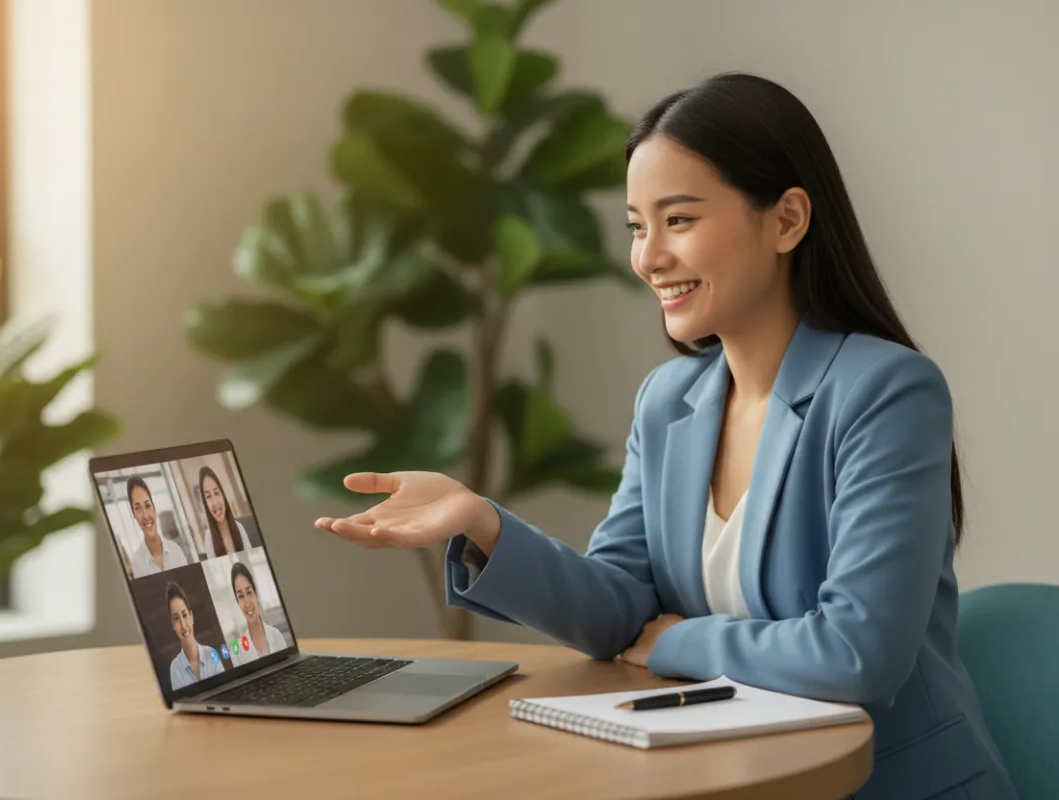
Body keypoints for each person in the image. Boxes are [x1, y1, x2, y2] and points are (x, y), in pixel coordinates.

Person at [313, 73, 1016, 800]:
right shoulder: (669, 401)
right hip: (735, 779)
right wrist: (480, 520)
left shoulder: (886, 392)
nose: (648, 257)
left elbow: (856, 652)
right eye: (636, 226)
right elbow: (619, 605)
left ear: (787, 220)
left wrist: (675, 642)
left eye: (678, 220)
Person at [166, 581, 226, 690]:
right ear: (173, 626)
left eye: (184, 615)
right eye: (176, 618)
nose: (183, 625)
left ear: (191, 617)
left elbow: (225, 689)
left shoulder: (211, 654)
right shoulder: (175, 668)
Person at [126, 476, 188, 577]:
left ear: (154, 508)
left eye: (148, 505)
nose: (145, 515)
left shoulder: (176, 551)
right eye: (138, 508)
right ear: (134, 515)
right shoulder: (137, 563)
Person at [229, 560, 287, 663]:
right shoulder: (237, 653)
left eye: (249, 592)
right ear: (237, 602)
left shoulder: (276, 635)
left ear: (256, 593)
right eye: (241, 596)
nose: (247, 603)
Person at [199, 466, 248, 558]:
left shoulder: (240, 528)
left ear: (223, 495)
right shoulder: (209, 537)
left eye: (216, 493)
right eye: (208, 496)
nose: (214, 502)